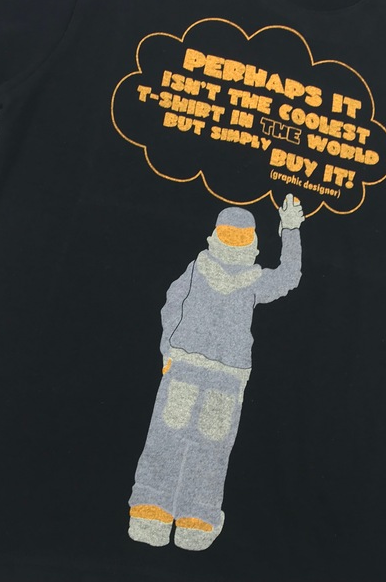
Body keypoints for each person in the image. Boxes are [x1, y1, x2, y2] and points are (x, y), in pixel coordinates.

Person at [128, 193, 305, 551]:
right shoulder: (254, 281)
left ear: (215, 236)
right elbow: (288, 276)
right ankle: (196, 522)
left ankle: (150, 514)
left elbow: (171, 305)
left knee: (166, 440)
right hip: (227, 377)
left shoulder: (197, 269)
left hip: (184, 367)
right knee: (210, 450)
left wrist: (168, 350)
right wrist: (290, 230)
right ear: (252, 244)